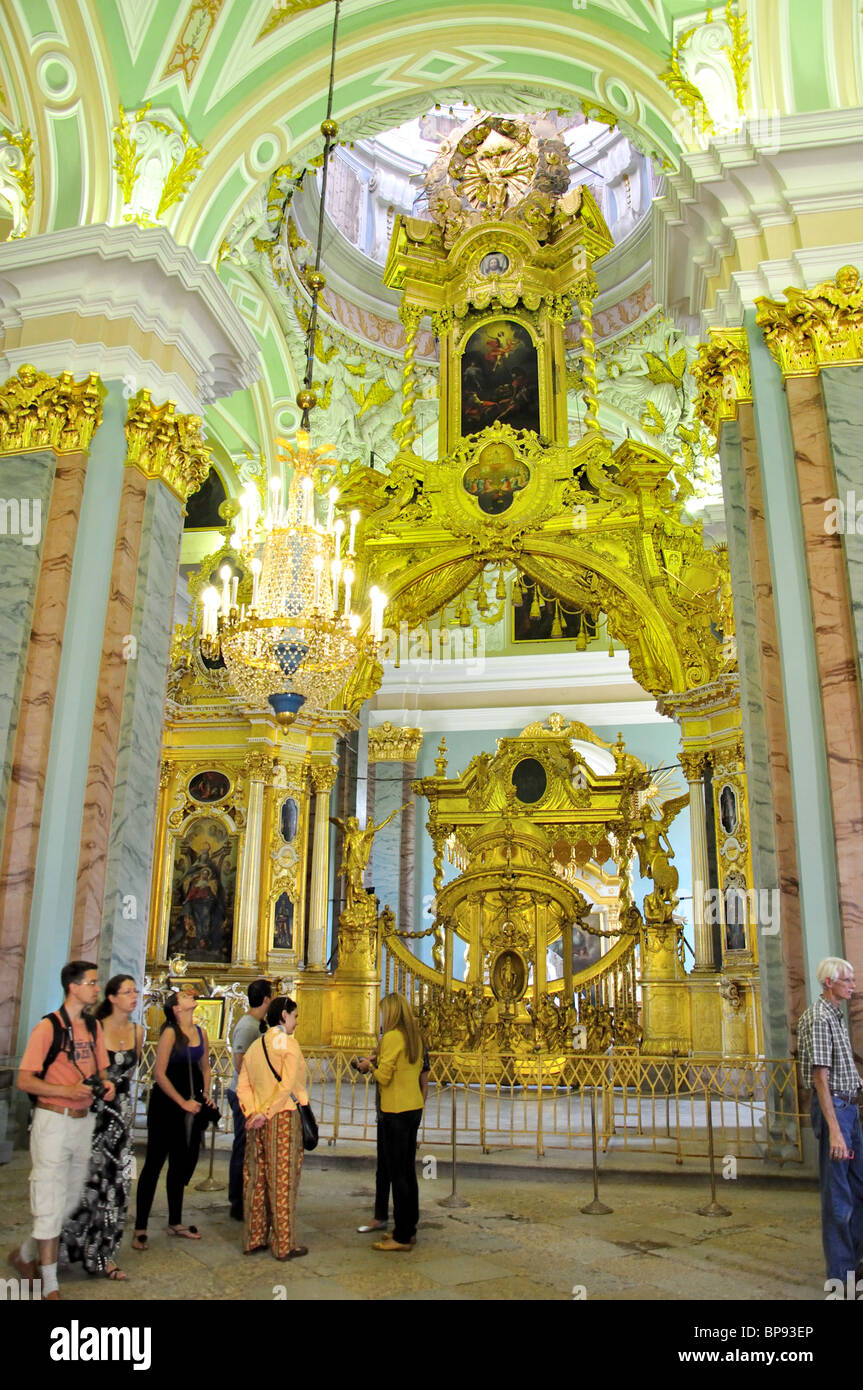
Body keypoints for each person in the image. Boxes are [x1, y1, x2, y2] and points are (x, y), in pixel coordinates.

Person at [11, 960, 115, 1300]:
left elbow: (101, 1072)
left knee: (69, 1199)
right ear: (74, 987)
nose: (97, 989)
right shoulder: (48, 1028)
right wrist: (66, 1091)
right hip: (53, 1120)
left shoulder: (93, 1028)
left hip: (82, 1123)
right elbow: (25, 1079)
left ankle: (25, 1254)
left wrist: (106, 1085)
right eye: (92, 983)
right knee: (49, 1197)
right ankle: (49, 1284)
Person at [61, 974, 143, 1281]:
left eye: (135, 991)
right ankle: (71, 1246)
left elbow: (130, 1075)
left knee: (119, 1186)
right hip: (95, 1114)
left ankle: (106, 1254)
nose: (133, 996)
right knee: (88, 1184)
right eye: (127, 992)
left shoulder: (139, 1031)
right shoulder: (94, 1029)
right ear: (112, 998)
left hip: (121, 1117)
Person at [131, 985, 218, 1248]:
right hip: (167, 1103)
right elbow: (159, 1073)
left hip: (191, 1103)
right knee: (154, 1164)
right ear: (176, 1008)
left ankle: (175, 1222)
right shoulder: (170, 1032)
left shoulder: (201, 1032)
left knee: (179, 1165)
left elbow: (205, 1068)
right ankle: (140, 1227)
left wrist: (205, 1095)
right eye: (183, 996)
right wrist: (182, 1102)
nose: (189, 996)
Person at [797, 956, 863, 1291]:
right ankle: (841, 1277)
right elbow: (820, 1079)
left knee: (858, 1187)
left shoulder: (835, 1015)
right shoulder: (819, 1018)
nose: (853, 984)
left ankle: (856, 1264)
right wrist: (836, 1130)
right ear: (829, 983)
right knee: (839, 1197)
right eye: (847, 980)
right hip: (835, 1111)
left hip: (848, 1111)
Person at [237, 995, 308, 1261]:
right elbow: (287, 1085)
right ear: (283, 1016)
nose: (297, 1022)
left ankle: (254, 1238)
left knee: (256, 1179)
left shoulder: (256, 1046)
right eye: (295, 1016)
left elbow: (242, 1085)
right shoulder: (288, 1045)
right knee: (282, 1181)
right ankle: (283, 1244)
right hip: (282, 1118)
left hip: (255, 1122)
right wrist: (267, 1113)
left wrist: (252, 1112)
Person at [356, 993, 424, 1251]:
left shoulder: (394, 1036)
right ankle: (409, 1227)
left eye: (384, 1012)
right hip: (413, 1107)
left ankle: (402, 1237)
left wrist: (369, 1068)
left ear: (392, 1013)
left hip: (396, 1110)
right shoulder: (414, 1036)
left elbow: (384, 1077)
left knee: (398, 1175)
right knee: (408, 1171)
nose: (382, 1017)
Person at [225, 978, 272, 1221]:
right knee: (242, 1146)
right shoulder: (247, 1026)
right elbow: (239, 1062)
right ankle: (237, 1200)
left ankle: (249, 1194)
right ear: (266, 999)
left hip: (254, 1095)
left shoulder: (259, 1024)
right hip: (242, 1094)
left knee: (250, 1146)